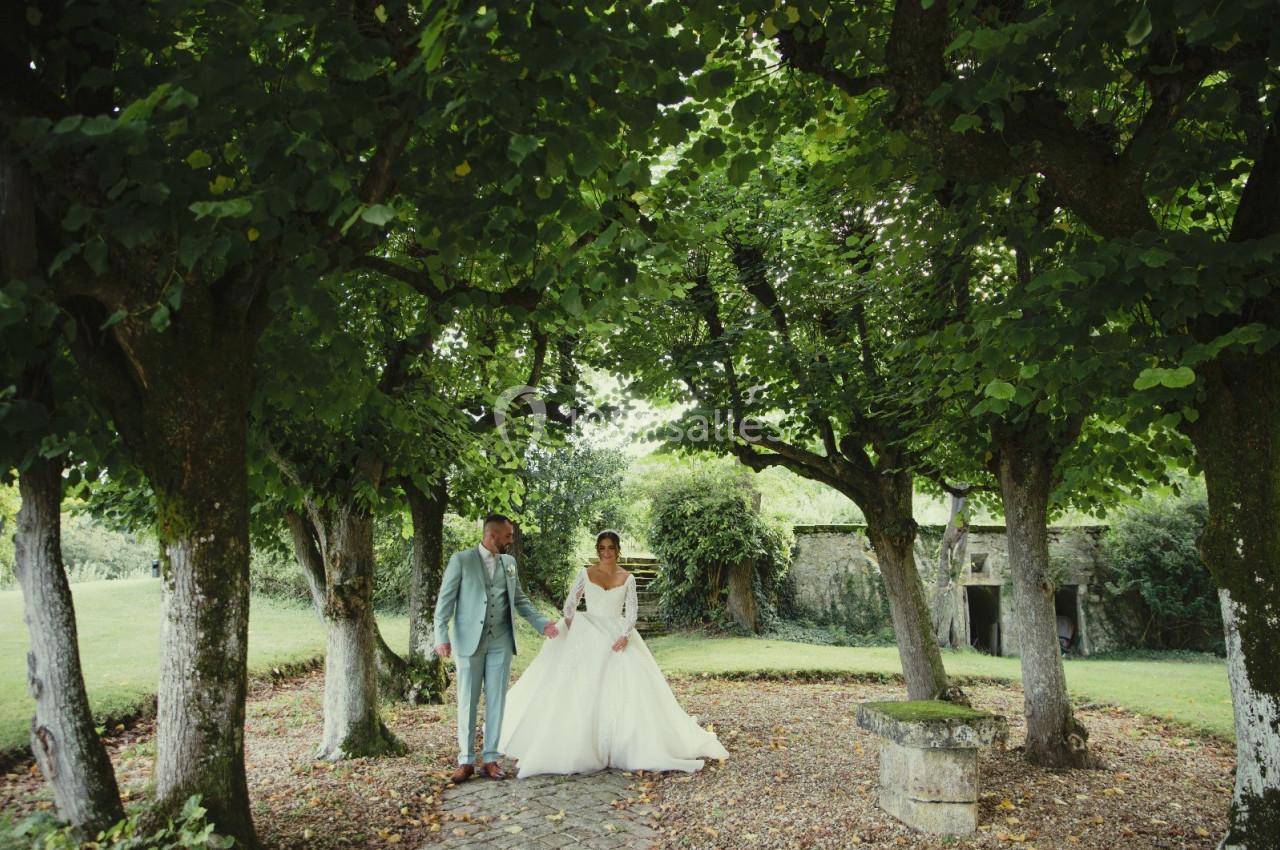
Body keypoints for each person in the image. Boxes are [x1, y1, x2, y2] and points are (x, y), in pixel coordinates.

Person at [497, 529, 730, 777]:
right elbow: (570, 605)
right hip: (588, 631)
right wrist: (574, 627)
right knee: (579, 686)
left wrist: (625, 634)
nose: (606, 552)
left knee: (626, 686)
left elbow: (631, 612)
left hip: (615, 632)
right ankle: (580, 743)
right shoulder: (586, 573)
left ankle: (622, 743)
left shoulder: (627, 578)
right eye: (602, 548)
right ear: (598, 550)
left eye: (610, 548)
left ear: (618, 550)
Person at [433, 514, 559, 782]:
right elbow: (444, 602)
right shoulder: (462, 561)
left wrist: (541, 624)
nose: (511, 540)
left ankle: (490, 759)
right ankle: (465, 760)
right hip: (469, 640)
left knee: (497, 701)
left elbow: (520, 599)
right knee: (467, 699)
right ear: (493, 536)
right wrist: (441, 636)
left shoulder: (509, 563)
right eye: (508, 536)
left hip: (500, 641)